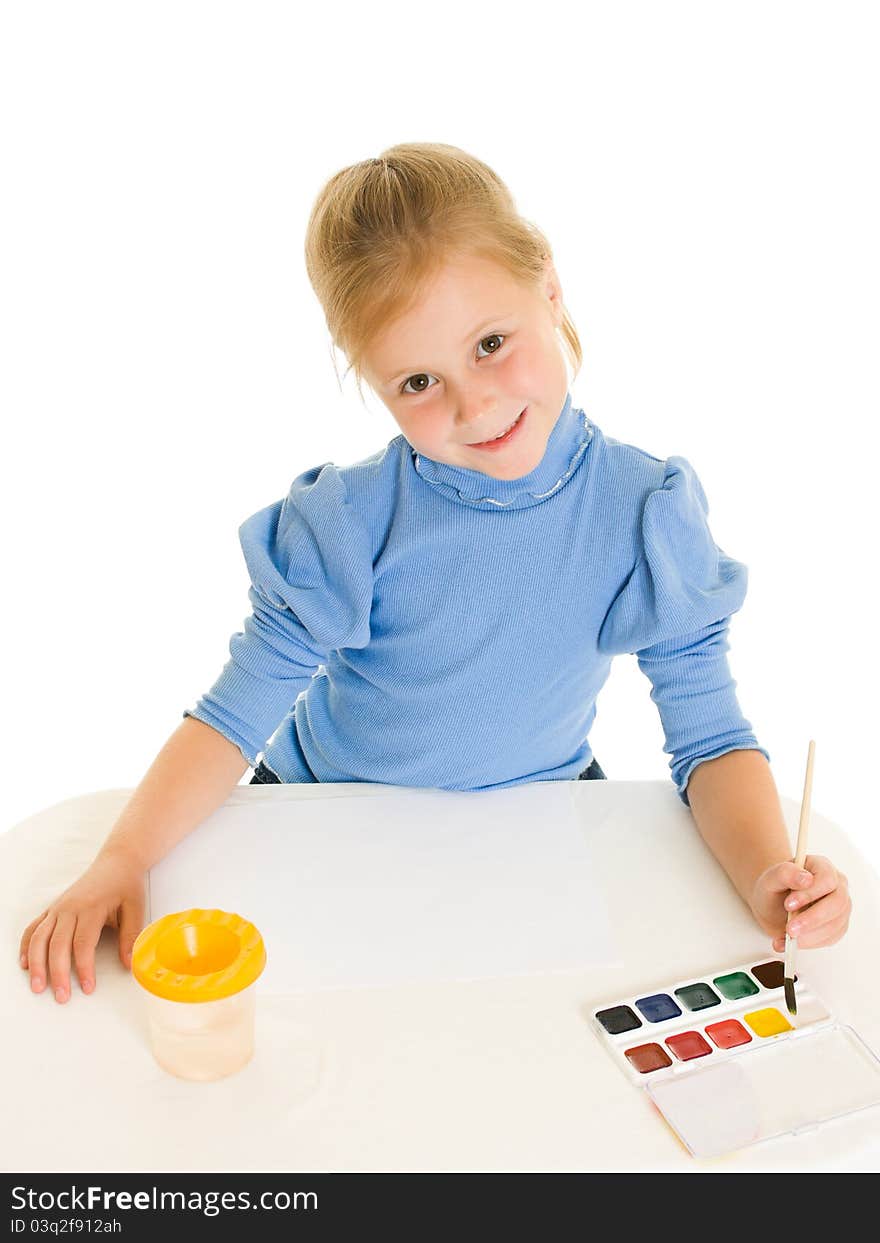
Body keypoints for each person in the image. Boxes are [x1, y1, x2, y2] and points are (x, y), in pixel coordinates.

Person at [19, 142, 851, 1005]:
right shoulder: (350, 522)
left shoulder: (643, 511)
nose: (473, 404)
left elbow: (710, 739)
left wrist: (764, 874)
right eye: (419, 380)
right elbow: (234, 718)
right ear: (374, 384)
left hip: (533, 828)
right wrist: (121, 858)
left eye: (492, 342)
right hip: (324, 817)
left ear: (551, 289)